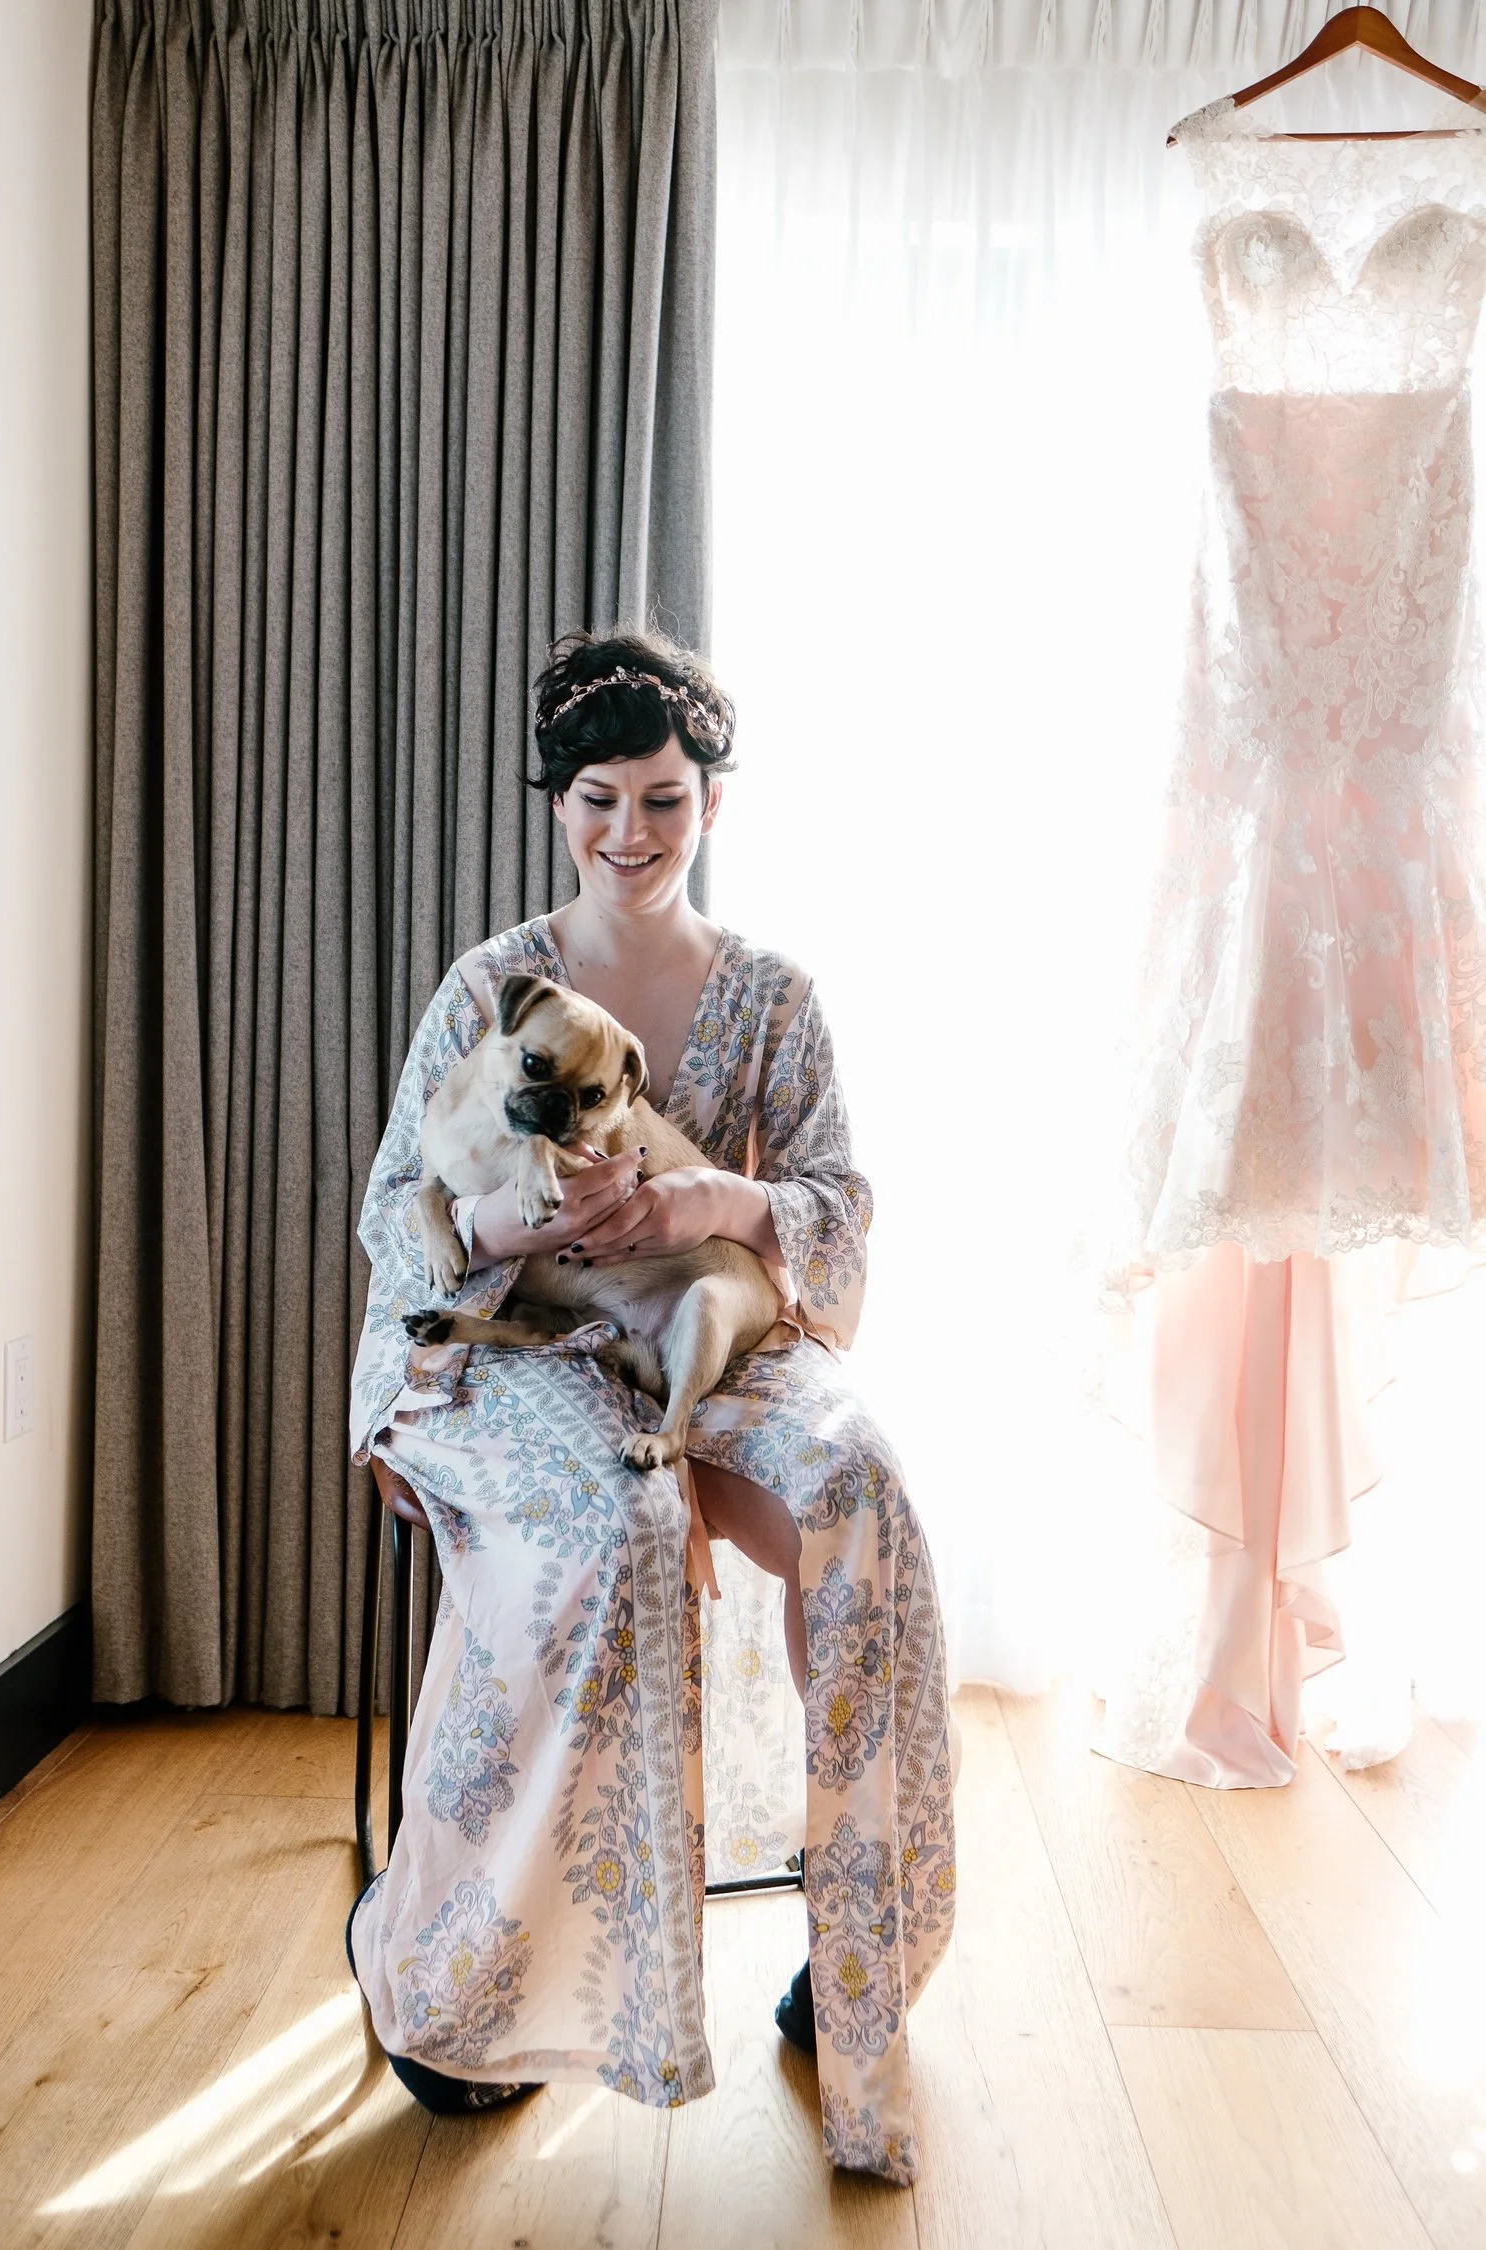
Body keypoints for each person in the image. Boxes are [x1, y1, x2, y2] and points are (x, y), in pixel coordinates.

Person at [346, 629, 955, 2184]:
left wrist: (710, 1194)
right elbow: (395, 1218)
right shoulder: (493, 987)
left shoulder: (775, 998)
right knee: (608, 1526)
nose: (632, 832)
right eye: (600, 798)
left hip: (716, 1328)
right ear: (557, 803)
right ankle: (472, 1987)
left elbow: (833, 1205)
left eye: (665, 798)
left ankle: (857, 1957)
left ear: (713, 801)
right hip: (502, 1337)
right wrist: (525, 1230)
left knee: (862, 1492)